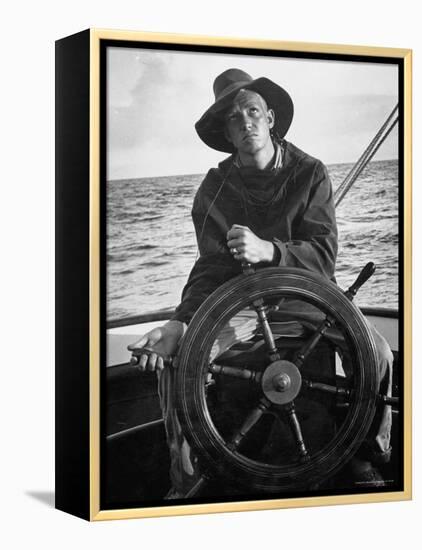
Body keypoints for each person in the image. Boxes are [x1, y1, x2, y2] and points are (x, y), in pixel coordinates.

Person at [128, 69, 393, 498]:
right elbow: (210, 270)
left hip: (307, 298)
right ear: (227, 132)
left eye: (252, 111)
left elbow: (323, 258)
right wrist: (179, 323)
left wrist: (270, 251)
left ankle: (372, 451)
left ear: (270, 117)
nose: (245, 122)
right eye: (234, 118)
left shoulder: (311, 172)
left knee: (378, 354)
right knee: (178, 363)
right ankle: (186, 478)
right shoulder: (214, 188)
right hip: (245, 308)